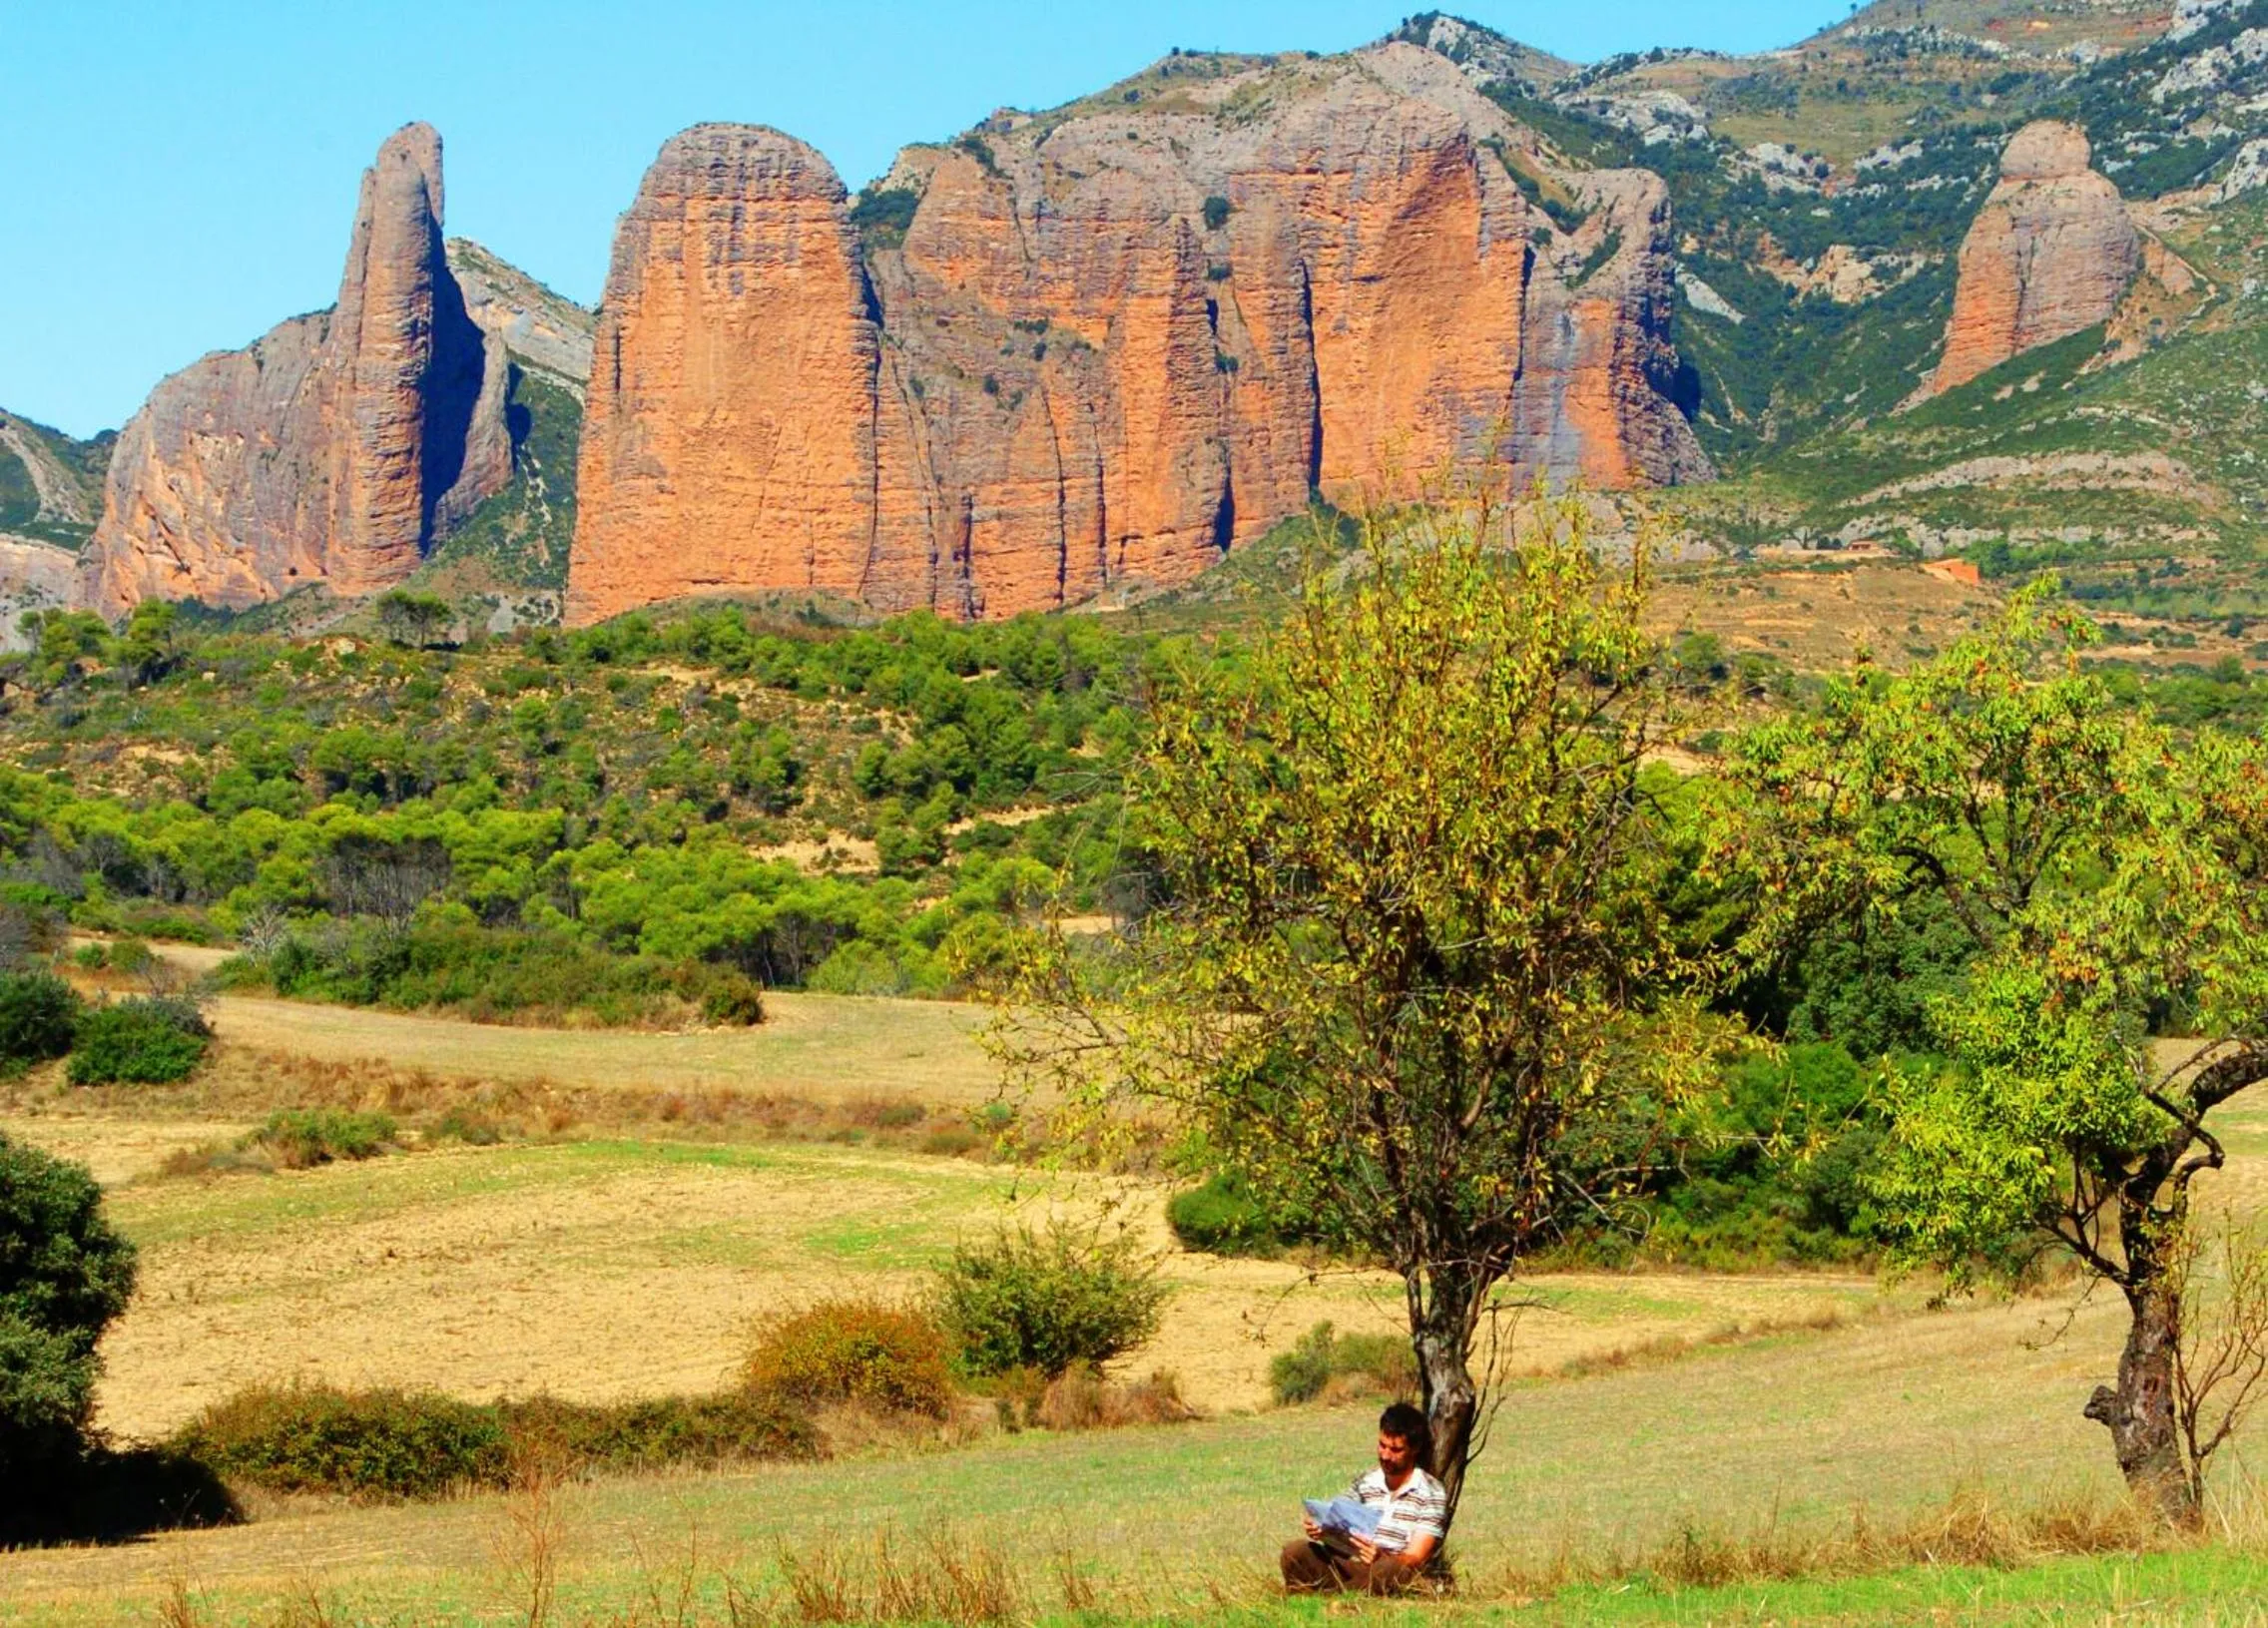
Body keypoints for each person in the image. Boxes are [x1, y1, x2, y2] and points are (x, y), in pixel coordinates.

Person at [1280, 1400, 1447, 1595]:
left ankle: (1335, 1596)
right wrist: (1320, 1526)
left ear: (1415, 1449)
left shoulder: (1431, 1492)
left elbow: (1417, 1557)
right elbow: (1336, 1513)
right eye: (1382, 1446)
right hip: (1350, 1566)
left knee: (1391, 1570)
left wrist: (1381, 1556)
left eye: (1395, 1450)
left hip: (1386, 1570)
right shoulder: (1365, 1482)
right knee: (1295, 1551)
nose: (1385, 1456)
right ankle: (1346, 1594)